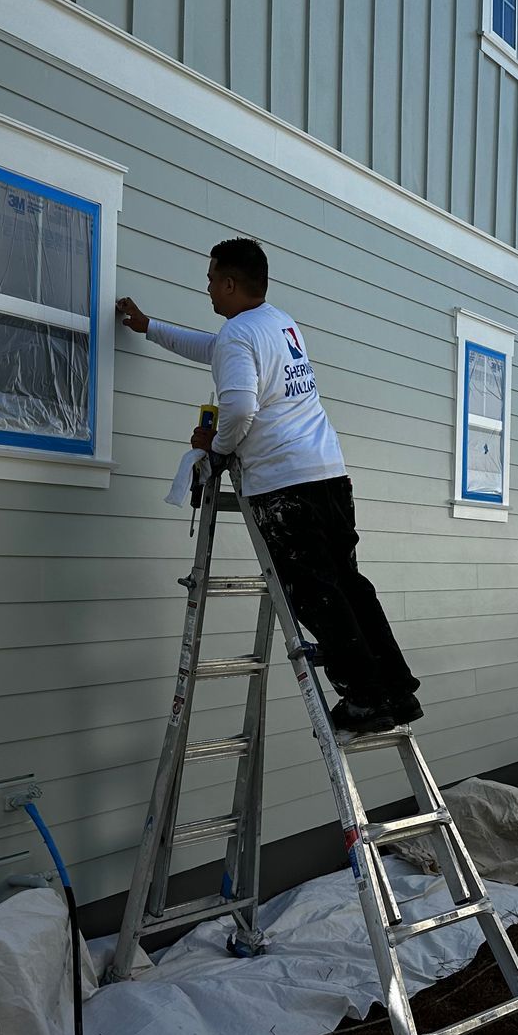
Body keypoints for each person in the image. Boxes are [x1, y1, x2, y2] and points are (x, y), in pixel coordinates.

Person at [117, 238, 422, 736]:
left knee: (313, 592)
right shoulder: (278, 324)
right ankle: (395, 687)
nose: (208, 287)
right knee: (347, 582)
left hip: (285, 486)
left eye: (213, 278)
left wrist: (217, 447)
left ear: (231, 283)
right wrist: (150, 328)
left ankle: (366, 698)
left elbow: (238, 408)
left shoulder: (239, 335)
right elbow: (211, 348)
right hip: (327, 473)